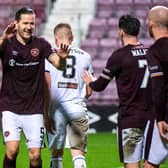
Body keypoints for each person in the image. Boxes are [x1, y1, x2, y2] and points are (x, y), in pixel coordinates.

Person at [83, 15, 168, 168]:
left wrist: (90, 82)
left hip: (130, 117)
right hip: (152, 117)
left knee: (132, 165)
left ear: (121, 32)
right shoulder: (151, 52)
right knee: (151, 163)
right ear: (138, 31)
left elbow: (101, 85)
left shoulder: (119, 56)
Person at [0, 7, 69, 168]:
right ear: (16, 24)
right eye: (25, 23)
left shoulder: (41, 44)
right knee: (12, 150)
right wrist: (3, 37)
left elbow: (59, 65)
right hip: (10, 107)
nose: (29, 27)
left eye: (32, 23)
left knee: (36, 156)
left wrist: (63, 59)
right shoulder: (7, 44)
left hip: (34, 109)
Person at [44, 23, 93, 168]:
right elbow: (89, 91)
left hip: (56, 110)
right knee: (78, 153)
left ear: (56, 38)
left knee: (56, 154)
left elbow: (46, 87)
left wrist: (46, 114)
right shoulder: (86, 57)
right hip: (77, 109)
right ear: (72, 38)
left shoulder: (49, 57)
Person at [147, 5, 168, 154]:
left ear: (151, 24)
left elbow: (158, 86)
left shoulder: (155, 51)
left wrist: (161, 118)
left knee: (151, 161)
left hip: (165, 114)